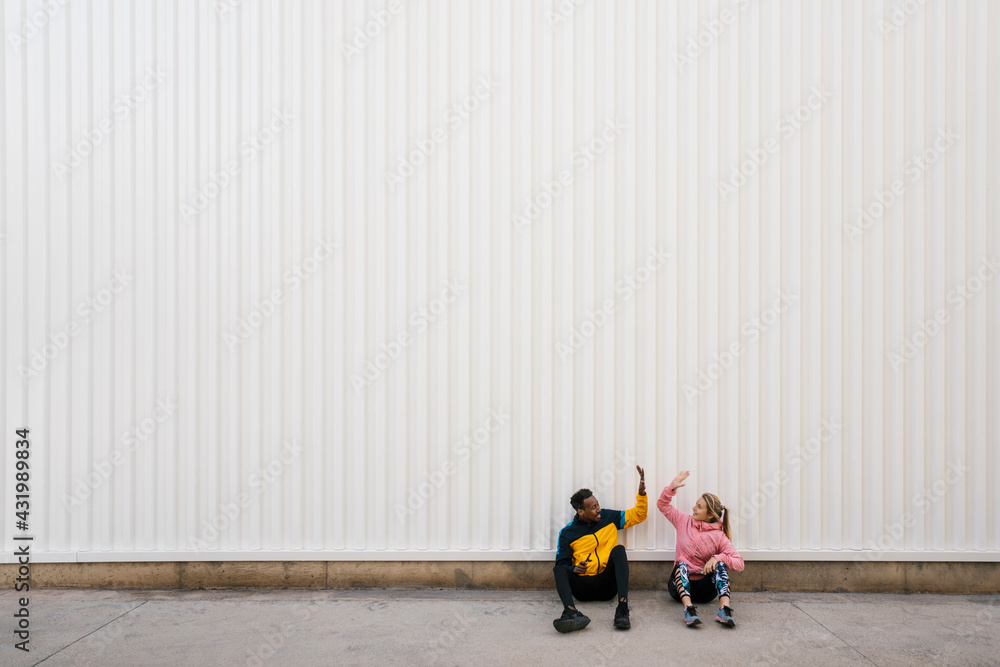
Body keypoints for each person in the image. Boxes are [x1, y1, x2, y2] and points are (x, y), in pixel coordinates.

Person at [552, 466, 648, 633]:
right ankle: (570, 612)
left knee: (618, 550)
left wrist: (641, 495)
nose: (598, 510)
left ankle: (623, 609)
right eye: (593, 507)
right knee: (559, 569)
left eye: (597, 505)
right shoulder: (567, 533)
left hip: (607, 586)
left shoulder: (608, 517)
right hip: (583, 588)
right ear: (580, 511)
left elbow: (639, 515)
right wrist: (573, 568)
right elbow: (562, 562)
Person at [657, 470, 744, 627]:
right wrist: (672, 487)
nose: (693, 508)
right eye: (696, 504)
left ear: (710, 515)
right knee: (681, 563)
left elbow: (739, 563)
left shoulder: (719, 536)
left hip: (704, 590)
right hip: (679, 588)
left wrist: (718, 557)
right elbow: (662, 505)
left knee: (721, 563)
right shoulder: (683, 521)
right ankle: (689, 610)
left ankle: (724, 610)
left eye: (699, 506)